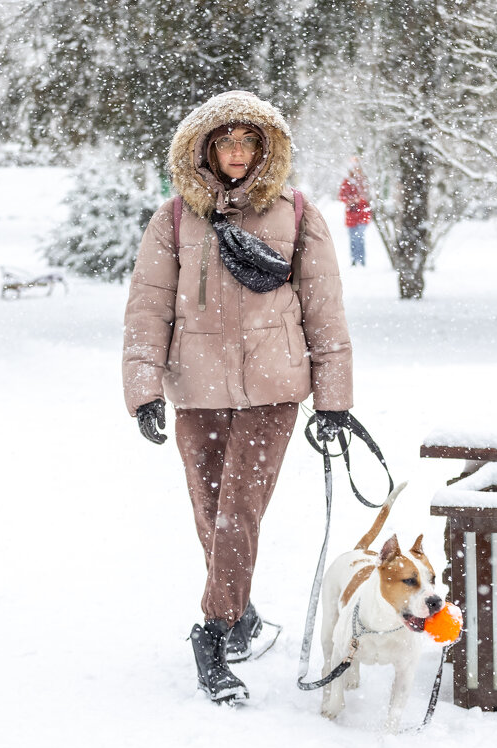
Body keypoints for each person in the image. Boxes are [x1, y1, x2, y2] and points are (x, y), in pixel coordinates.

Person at [122, 90, 353, 704]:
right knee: (209, 512)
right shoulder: (174, 219)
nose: (237, 153)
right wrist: (144, 390)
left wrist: (333, 400)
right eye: (225, 141)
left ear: (266, 149)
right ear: (203, 149)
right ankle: (243, 614)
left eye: (249, 142)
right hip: (195, 390)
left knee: (237, 512)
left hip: (272, 390)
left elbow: (325, 311)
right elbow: (147, 308)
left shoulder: (298, 214)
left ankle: (214, 629)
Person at [337, 158, 372, 267]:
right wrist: (350, 201)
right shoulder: (347, 182)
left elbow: (368, 196)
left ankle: (361, 259)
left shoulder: (364, 181)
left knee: (359, 237)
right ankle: (354, 259)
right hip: (351, 216)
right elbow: (341, 196)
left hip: (362, 215)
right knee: (353, 238)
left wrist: (359, 200)